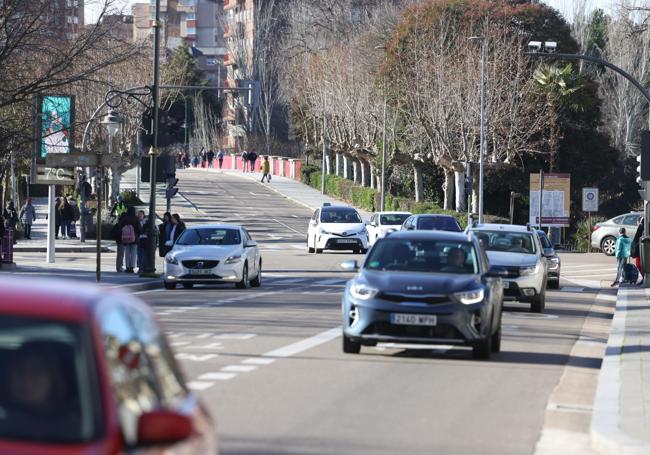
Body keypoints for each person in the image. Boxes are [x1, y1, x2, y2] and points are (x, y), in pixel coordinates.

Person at [118, 207, 140, 274]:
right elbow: (139, 229)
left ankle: (127, 267)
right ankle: (132, 267)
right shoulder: (136, 219)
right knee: (133, 253)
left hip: (125, 238)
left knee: (127, 253)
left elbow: (120, 226)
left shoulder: (125, 219)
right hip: (134, 238)